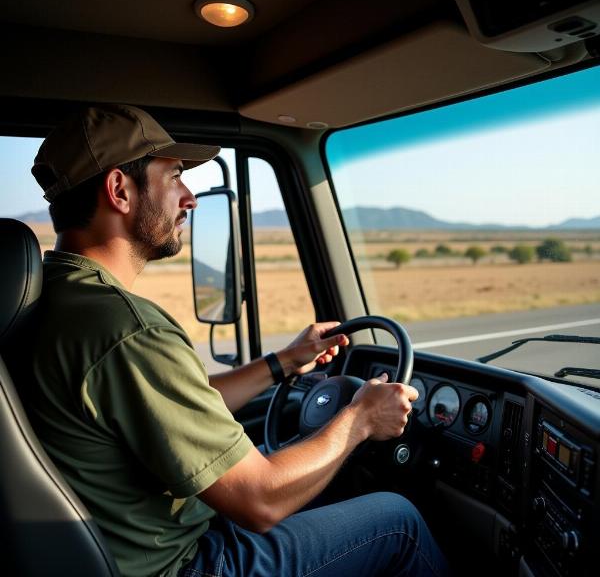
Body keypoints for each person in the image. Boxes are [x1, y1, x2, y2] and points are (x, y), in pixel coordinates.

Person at [26, 104, 449, 577]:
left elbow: (173, 404)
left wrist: (283, 362)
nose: (188, 198)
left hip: (129, 546)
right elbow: (259, 501)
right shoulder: (128, 330)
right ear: (120, 190)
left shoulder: (55, 299)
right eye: (175, 176)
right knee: (399, 522)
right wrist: (361, 419)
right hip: (184, 563)